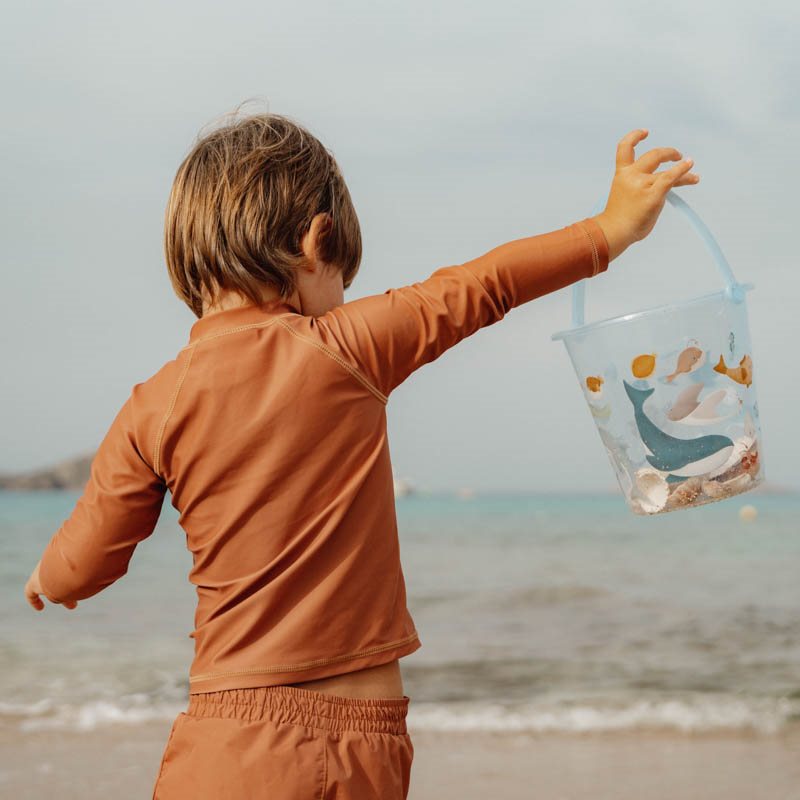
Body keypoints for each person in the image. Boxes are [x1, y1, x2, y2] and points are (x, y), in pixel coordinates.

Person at [23, 108, 698, 799]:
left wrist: (48, 580)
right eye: (343, 277)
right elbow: (483, 287)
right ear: (318, 241)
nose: (341, 298)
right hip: (362, 746)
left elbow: (87, 557)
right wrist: (611, 229)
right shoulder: (343, 347)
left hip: (227, 742)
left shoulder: (153, 405)